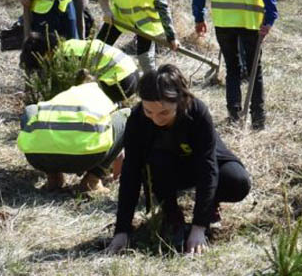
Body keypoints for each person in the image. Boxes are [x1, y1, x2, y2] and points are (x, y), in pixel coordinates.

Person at [106, 65, 252, 255]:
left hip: (203, 164)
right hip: (164, 170)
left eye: (164, 113)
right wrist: (122, 230)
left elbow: (208, 168)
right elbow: (130, 172)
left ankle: (210, 206)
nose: (156, 119)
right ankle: (172, 215)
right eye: (149, 112)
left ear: (180, 100)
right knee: (157, 160)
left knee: (237, 181)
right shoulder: (137, 119)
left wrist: (200, 225)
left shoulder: (197, 113)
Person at [192, 0, 277, 129]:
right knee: (254, 70)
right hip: (250, 21)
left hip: (223, 21)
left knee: (232, 69)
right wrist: (270, 17)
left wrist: (199, 17)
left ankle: (234, 116)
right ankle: (258, 120)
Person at [18, 79, 127, 192]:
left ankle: (53, 177)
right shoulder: (100, 96)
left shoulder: (62, 97)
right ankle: (92, 180)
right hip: (88, 156)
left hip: (39, 158)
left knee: (30, 109)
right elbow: (114, 135)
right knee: (126, 114)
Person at [22, 32, 139, 103]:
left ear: (44, 53)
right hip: (132, 72)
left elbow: (70, 90)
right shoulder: (70, 44)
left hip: (120, 82)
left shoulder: (64, 58)